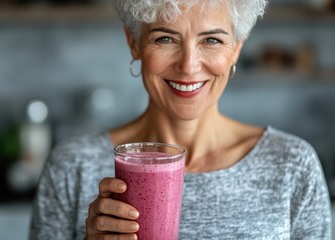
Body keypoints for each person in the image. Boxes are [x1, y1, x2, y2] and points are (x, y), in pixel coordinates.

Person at [29, 0, 332, 239]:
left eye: (212, 40)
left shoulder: (293, 164)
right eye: (165, 39)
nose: (188, 66)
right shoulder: (73, 165)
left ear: (236, 48)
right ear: (134, 43)